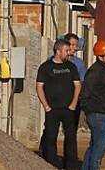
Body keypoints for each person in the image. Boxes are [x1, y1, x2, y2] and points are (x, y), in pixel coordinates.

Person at [37, 38, 82, 169]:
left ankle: (71, 165)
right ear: (58, 51)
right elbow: (39, 87)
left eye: (69, 50)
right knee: (50, 137)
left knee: (71, 138)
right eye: (66, 50)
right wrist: (46, 106)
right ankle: (51, 163)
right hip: (52, 109)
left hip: (68, 109)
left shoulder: (71, 67)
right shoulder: (45, 67)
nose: (69, 53)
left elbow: (77, 85)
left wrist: (73, 104)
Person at [79, 39, 105, 170]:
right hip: (97, 113)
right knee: (100, 146)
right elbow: (86, 92)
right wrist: (88, 109)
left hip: (101, 112)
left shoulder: (103, 70)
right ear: (101, 56)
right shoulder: (95, 71)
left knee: (95, 144)